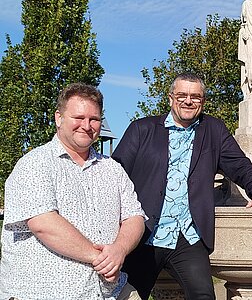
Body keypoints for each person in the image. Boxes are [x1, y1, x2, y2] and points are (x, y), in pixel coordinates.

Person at [112, 73, 252, 300]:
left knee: (204, 296)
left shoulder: (214, 130)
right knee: (123, 296)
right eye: (181, 95)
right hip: (145, 234)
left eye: (195, 97)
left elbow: (239, 165)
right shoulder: (142, 129)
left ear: (203, 101)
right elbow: (115, 174)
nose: (188, 101)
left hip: (187, 237)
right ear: (170, 98)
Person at [0, 83, 146, 300]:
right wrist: (102, 259)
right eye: (78, 117)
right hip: (46, 292)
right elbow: (44, 225)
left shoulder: (112, 168)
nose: (86, 125)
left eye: (94, 119)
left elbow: (135, 216)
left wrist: (120, 250)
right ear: (59, 118)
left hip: (109, 291)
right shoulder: (34, 164)